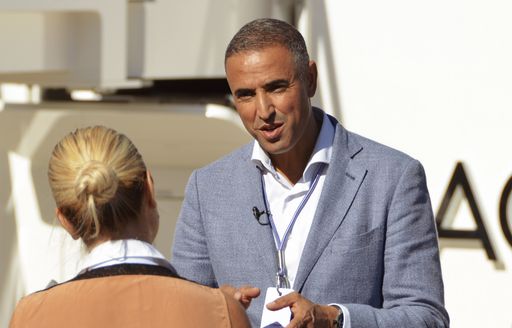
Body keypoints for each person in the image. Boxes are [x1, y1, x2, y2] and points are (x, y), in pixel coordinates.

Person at [172, 18, 449, 328]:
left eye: (276, 87)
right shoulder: (207, 188)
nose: (263, 111)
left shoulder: (394, 177)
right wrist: (214, 308)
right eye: (245, 95)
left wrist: (335, 319)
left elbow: (426, 318)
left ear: (311, 79)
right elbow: (180, 315)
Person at [9, 126, 250, 328]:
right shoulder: (221, 311)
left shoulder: (31, 316)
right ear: (150, 189)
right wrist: (222, 309)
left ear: (67, 222)